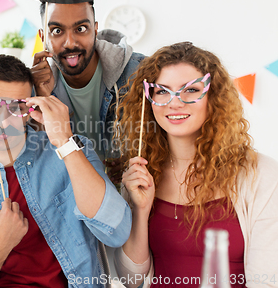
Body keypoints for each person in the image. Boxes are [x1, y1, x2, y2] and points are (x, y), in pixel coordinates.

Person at [0, 54, 132, 288]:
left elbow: (117, 232)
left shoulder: (74, 149)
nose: (3, 121)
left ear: (30, 111)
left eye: (16, 108)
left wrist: (65, 143)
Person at [112, 42, 278, 288]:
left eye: (190, 90)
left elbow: (266, 281)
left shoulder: (261, 175)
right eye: (161, 91)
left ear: (214, 96)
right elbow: (131, 280)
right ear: (149, 99)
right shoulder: (140, 173)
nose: (175, 102)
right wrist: (140, 210)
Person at [30, 0, 145, 161]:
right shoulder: (31, 90)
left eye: (81, 29)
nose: (70, 43)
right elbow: (40, 165)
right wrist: (43, 98)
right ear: (43, 38)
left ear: (95, 29)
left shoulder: (140, 72)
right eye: (57, 31)